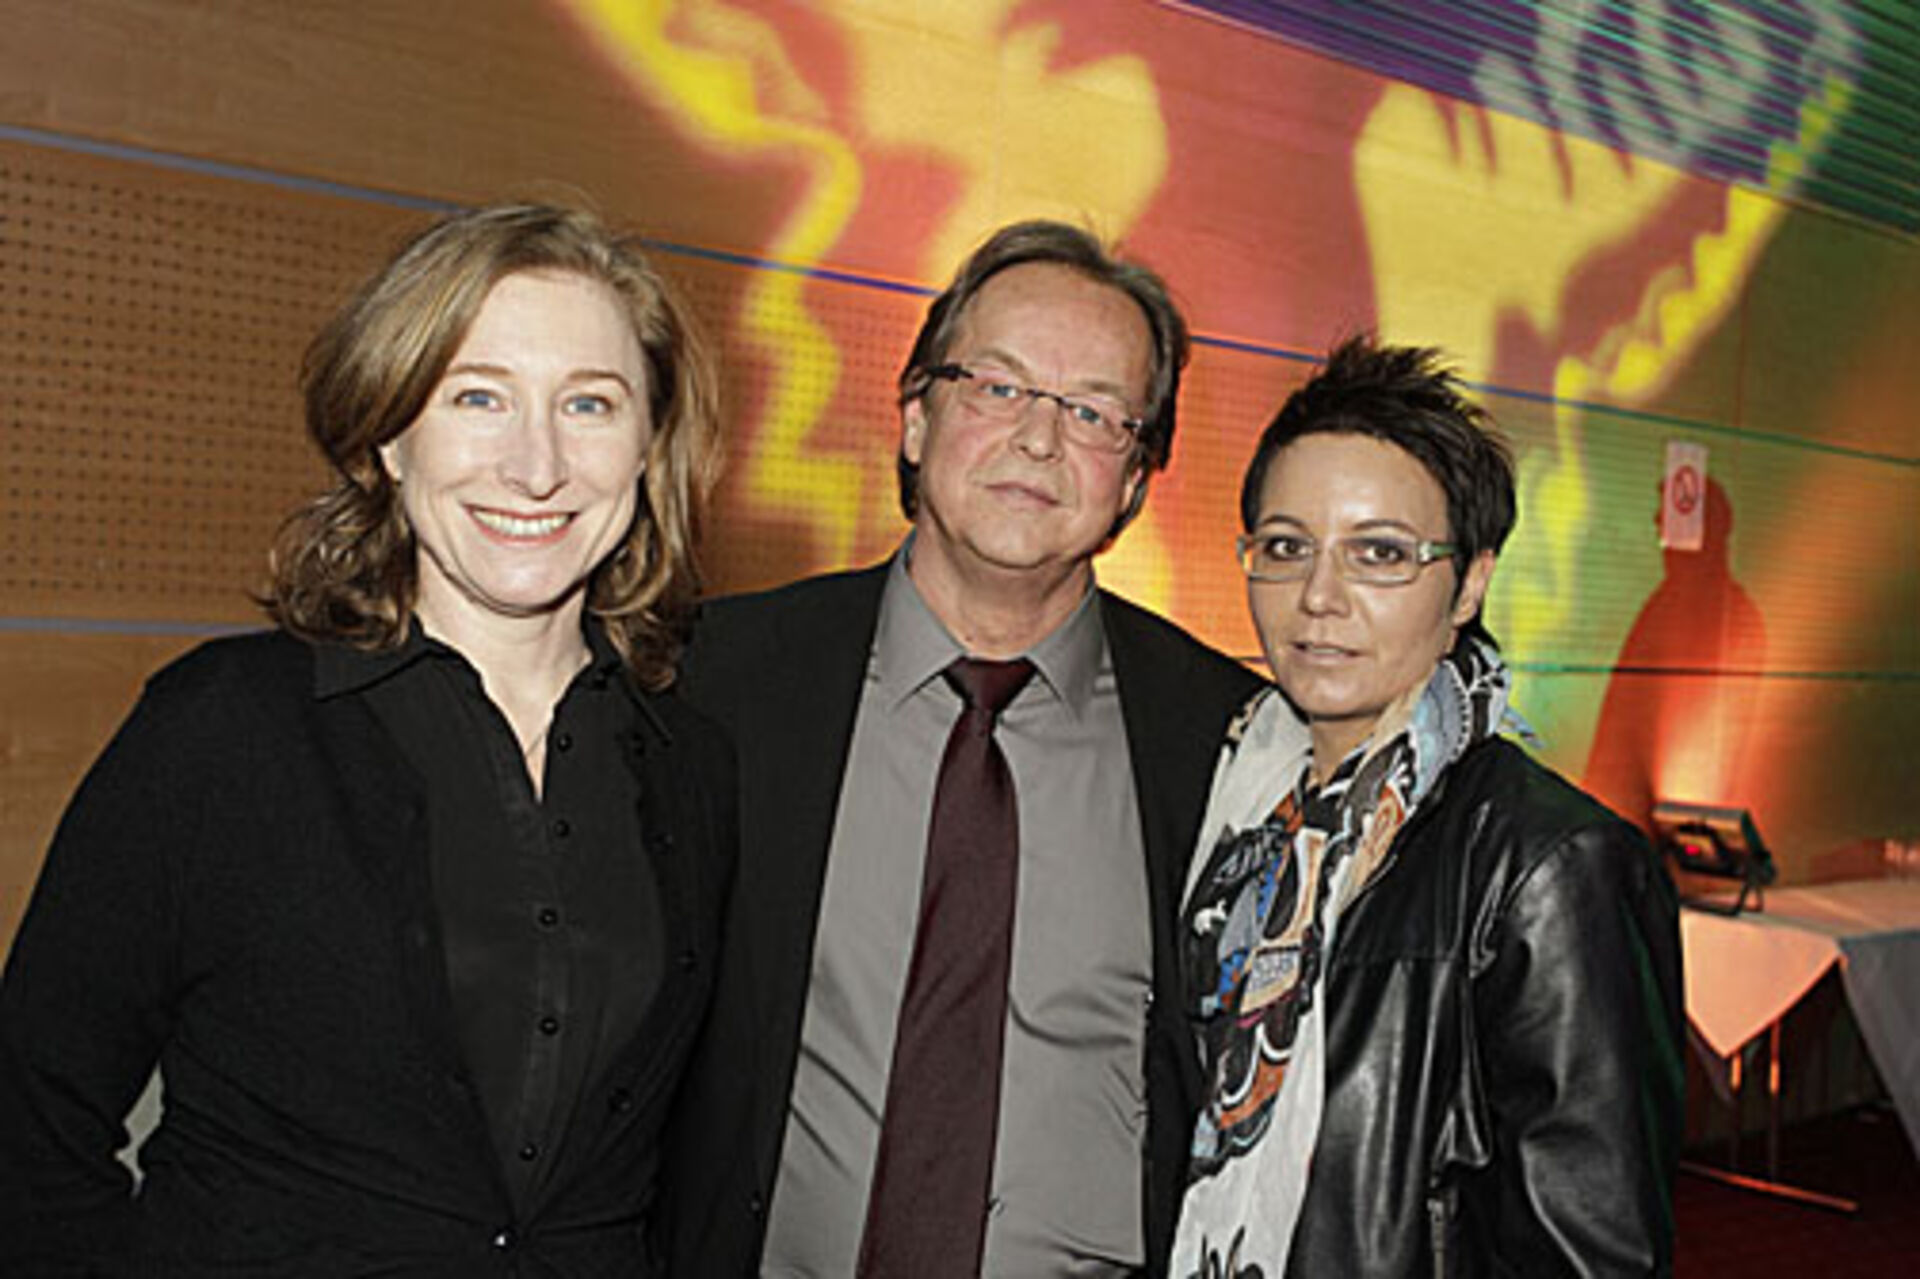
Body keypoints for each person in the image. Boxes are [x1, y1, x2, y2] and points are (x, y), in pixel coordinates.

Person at [0, 203, 736, 1277]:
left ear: (648, 445)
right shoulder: (224, 728)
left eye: (589, 403)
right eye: (478, 396)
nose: (536, 465)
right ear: (389, 436)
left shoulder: (693, 767)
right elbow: (32, 1122)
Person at [665, 221, 1262, 1277]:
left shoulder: (1230, 741)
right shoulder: (716, 681)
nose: (1038, 438)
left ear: (1134, 478)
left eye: (1093, 411)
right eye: (997, 385)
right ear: (914, 416)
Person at [1174, 335, 1683, 1278]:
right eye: (1286, 546)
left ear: (1470, 583)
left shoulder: (1547, 864)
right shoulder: (1223, 812)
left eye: (1380, 554)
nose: (1318, 596)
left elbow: (1590, 1249)